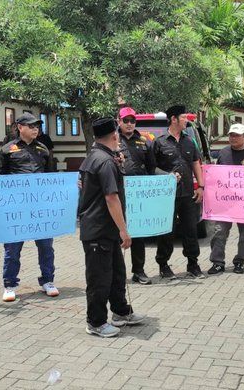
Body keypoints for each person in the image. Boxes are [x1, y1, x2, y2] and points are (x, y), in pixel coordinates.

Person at [79, 117, 145, 337]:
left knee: (117, 274)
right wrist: (124, 230)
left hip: (106, 229)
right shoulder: (105, 161)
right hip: (99, 229)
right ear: (115, 135)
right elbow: (111, 198)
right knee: (99, 279)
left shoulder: (98, 156)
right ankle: (95, 322)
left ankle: (120, 312)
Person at [0, 112, 60, 302]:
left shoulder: (43, 149)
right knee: (12, 249)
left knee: (46, 247)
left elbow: (51, 177)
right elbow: (0, 178)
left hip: (40, 208)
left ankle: (48, 281)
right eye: (31, 126)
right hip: (17, 209)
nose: (35, 129)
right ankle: (9, 285)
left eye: (37, 126)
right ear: (20, 127)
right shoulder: (8, 149)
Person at [152, 105, 205, 280]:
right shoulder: (159, 142)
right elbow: (152, 167)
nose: (186, 120)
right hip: (166, 196)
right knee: (167, 231)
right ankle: (163, 265)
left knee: (191, 230)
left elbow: (196, 163)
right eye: (183, 117)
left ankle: (193, 264)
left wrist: (201, 187)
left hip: (188, 194)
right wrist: (166, 175)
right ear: (173, 119)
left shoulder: (189, 141)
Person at [207, 123, 244, 275]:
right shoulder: (223, 153)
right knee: (219, 232)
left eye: (237, 135)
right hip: (225, 202)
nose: (233, 138)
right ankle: (217, 262)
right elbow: (217, 176)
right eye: (231, 135)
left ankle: (240, 261)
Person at [117, 107, 157, 285]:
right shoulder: (112, 140)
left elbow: (152, 168)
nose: (129, 124)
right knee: (117, 233)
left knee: (138, 234)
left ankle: (138, 271)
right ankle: (117, 273)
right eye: (125, 120)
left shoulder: (144, 141)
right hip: (117, 194)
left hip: (139, 196)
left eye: (132, 121)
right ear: (119, 121)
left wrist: (168, 177)